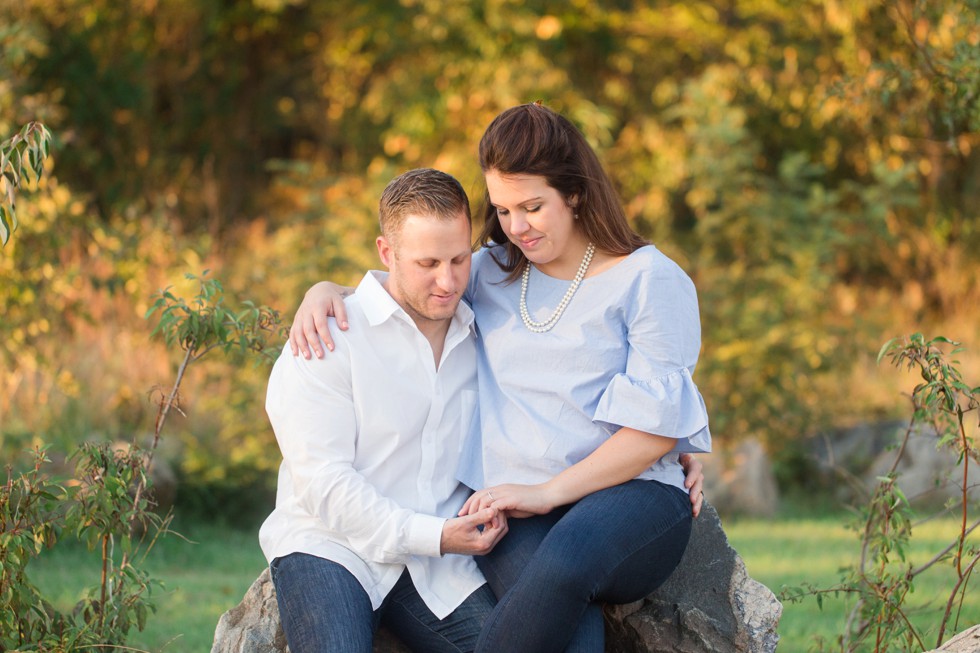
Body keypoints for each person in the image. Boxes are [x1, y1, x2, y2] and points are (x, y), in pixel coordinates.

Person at [290, 102, 710, 653]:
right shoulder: (491, 269)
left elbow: (653, 433)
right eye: (503, 209)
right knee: (568, 628)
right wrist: (327, 291)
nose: (517, 227)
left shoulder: (651, 280)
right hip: (516, 505)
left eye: (533, 206)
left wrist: (547, 493)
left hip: (628, 497)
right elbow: (411, 286)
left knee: (563, 565)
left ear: (575, 192)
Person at [259, 168, 507, 653]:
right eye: (428, 262)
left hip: (436, 565)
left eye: (460, 258)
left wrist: (661, 445)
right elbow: (324, 484)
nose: (448, 280)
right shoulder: (328, 338)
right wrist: (435, 534)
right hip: (330, 545)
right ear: (387, 253)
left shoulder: (484, 330)